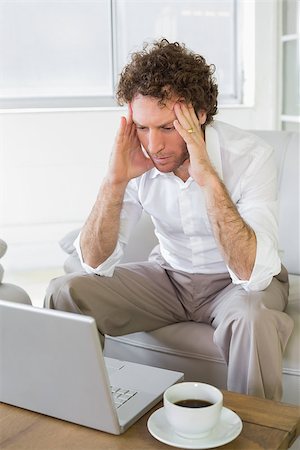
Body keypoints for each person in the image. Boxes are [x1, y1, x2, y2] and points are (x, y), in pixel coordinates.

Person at [45, 39, 293, 401]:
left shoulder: (251, 156)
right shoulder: (138, 154)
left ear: (201, 115)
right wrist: (114, 182)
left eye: (166, 128)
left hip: (236, 284)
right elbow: (94, 263)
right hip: (170, 276)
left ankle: (258, 436)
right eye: (143, 128)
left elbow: (251, 274)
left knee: (253, 319)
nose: (154, 146)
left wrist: (207, 176)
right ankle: (72, 412)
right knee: (63, 291)